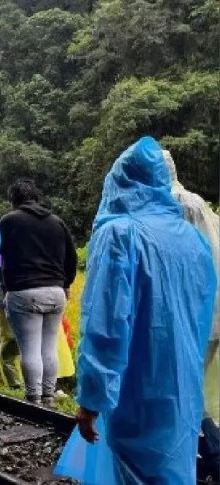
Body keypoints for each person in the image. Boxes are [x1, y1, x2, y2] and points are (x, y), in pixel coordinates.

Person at [75, 136, 216, 483]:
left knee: (135, 470)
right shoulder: (190, 237)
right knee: (174, 467)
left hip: (136, 386)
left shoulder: (119, 234)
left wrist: (91, 397)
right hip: (181, 383)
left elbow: (106, 325)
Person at [0, 179, 77, 406]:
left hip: (24, 292)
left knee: (29, 348)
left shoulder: (9, 221)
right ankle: (49, 396)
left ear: (14, 199)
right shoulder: (56, 222)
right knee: (49, 346)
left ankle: (34, 398)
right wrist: (66, 283)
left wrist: (0, 276)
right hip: (56, 292)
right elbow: (71, 257)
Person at [163, 149, 220, 425]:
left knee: (182, 388)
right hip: (209, 311)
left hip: (191, 313)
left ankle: (208, 453)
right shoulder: (198, 202)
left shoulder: (173, 202)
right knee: (192, 386)